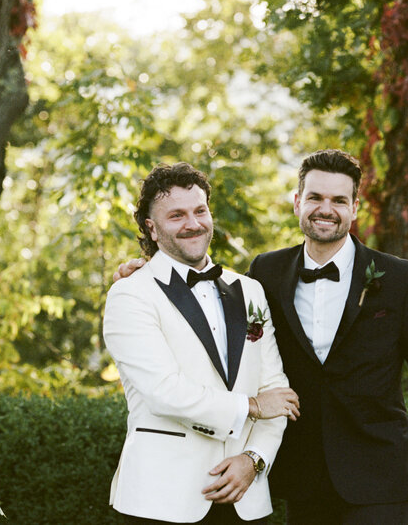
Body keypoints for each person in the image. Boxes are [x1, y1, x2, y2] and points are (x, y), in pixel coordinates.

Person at [117, 150, 408, 523]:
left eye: (338, 200)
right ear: (298, 202)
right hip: (301, 476)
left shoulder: (399, 279)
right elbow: (209, 313)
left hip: (378, 474)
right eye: (315, 198)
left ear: (355, 207)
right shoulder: (267, 273)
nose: (325, 209)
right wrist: (145, 270)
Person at [103, 162, 300, 524]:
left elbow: (278, 393)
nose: (192, 224)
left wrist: (253, 459)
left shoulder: (250, 290)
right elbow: (163, 392)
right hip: (161, 500)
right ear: (152, 227)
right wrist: (252, 406)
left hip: (245, 497)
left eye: (200, 211)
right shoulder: (131, 294)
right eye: (176, 215)